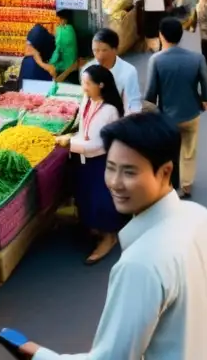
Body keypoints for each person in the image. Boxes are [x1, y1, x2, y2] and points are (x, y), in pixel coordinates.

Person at [23, 112, 207, 360]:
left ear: (165, 172)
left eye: (129, 172)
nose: (115, 183)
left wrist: (38, 355)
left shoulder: (141, 264)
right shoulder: (200, 217)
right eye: (110, 168)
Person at [55, 64, 127, 264]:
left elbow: (99, 145)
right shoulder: (87, 100)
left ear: (101, 85)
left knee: (100, 201)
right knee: (85, 196)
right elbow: (83, 129)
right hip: (82, 160)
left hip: (99, 162)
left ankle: (108, 237)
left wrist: (70, 143)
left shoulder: (110, 110)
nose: (83, 87)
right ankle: (94, 228)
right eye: (83, 82)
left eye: (87, 83)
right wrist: (73, 137)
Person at [144, 18, 207, 198]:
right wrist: (205, 99)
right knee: (189, 150)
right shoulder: (197, 58)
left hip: (167, 116)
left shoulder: (156, 60)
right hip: (191, 113)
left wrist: (150, 113)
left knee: (169, 150)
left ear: (161, 35)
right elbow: (206, 81)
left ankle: (171, 184)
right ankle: (187, 185)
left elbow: (151, 92)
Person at [83, 29, 143, 114]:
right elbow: (85, 99)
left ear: (115, 50)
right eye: (95, 50)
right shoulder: (88, 70)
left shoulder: (129, 72)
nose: (99, 55)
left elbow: (134, 105)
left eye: (104, 50)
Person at [37, 10, 79, 83]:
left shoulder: (61, 31)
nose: (57, 22)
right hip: (73, 69)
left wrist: (49, 64)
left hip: (64, 71)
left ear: (63, 19)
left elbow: (57, 51)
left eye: (57, 19)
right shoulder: (71, 29)